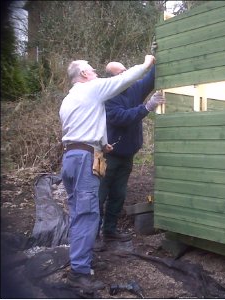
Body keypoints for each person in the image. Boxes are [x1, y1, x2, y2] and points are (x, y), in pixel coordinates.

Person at [59, 54, 155, 292]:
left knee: (79, 212)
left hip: (71, 156)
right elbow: (127, 79)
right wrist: (146, 62)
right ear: (83, 74)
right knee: (88, 214)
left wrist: (102, 144)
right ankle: (79, 272)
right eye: (92, 69)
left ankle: (80, 259)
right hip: (83, 160)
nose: (95, 72)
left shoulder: (69, 99)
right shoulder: (91, 88)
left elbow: (82, 127)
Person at [97, 60, 165, 243]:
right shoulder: (108, 96)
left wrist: (159, 55)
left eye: (126, 70)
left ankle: (110, 231)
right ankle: (93, 236)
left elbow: (150, 79)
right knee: (99, 196)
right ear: (112, 78)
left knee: (119, 195)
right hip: (107, 155)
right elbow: (120, 117)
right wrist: (147, 107)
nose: (126, 74)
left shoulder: (134, 88)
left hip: (127, 154)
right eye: (120, 72)